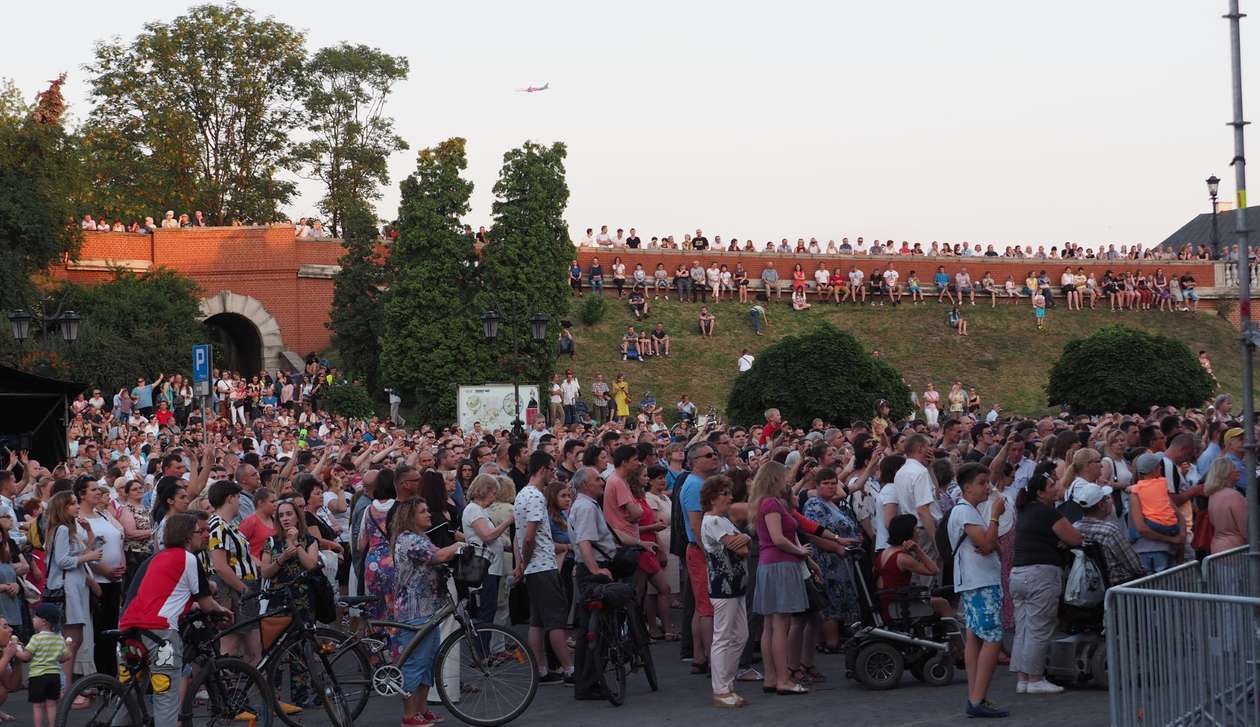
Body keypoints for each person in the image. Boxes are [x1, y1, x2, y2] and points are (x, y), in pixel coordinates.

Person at [119, 513, 233, 727]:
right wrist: (223, 611)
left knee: (129, 694)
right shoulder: (189, 559)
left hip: (129, 630)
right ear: (188, 537)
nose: (203, 536)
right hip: (161, 636)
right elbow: (207, 603)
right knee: (166, 695)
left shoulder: (158, 558)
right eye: (199, 532)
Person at [392, 498, 465, 727]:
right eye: (422, 512)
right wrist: (457, 546)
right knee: (415, 663)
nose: (428, 515)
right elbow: (440, 556)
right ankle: (409, 715)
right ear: (410, 517)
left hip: (429, 607)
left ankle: (422, 711)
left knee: (427, 662)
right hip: (414, 610)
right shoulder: (408, 540)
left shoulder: (421, 538)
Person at [1009, 464, 1081, 695]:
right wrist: (1065, 542)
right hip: (1040, 573)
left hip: (1019, 573)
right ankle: (1035, 678)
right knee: (1039, 627)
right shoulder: (1047, 512)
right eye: (1051, 485)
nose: (1055, 487)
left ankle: (1023, 678)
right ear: (1040, 492)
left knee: (1024, 628)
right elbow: (1075, 537)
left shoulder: (1026, 511)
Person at [947, 463, 1010, 718]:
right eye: (983, 483)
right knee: (993, 637)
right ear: (967, 487)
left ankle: (977, 695)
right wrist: (995, 515)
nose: (987, 488)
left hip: (973, 580)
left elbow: (988, 544)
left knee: (974, 637)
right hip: (980, 581)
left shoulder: (965, 511)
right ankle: (976, 699)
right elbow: (986, 545)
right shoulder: (965, 512)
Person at [749, 460, 813, 695]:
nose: (787, 480)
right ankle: (783, 679)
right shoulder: (772, 504)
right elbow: (778, 538)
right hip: (780, 565)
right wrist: (801, 552)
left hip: (769, 565)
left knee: (770, 625)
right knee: (780, 625)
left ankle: (771, 676)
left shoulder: (762, 503)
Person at [511, 452, 573, 685]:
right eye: (551, 468)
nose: (553, 473)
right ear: (542, 469)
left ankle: (541, 669)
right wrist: (525, 562)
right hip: (543, 565)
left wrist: (521, 565)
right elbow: (529, 538)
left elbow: (520, 537)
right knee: (556, 620)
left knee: (537, 621)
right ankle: (569, 668)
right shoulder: (536, 497)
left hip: (533, 568)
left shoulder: (521, 495)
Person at [700, 475, 751, 708]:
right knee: (723, 637)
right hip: (723, 585)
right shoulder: (712, 521)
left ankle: (727, 684)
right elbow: (737, 547)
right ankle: (720, 688)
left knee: (740, 635)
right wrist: (745, 538)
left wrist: (743, 540)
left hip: (736, 585)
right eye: (725, 493)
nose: (730, 497)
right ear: (712, 497)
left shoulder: (723, 520)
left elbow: (742, 547)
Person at [45, 491, 100, 703]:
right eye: (73, 503)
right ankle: (64, 690)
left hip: (74, 589)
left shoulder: (70, 529)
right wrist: (89, 556)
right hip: (67, 590)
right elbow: (63, 561)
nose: (78, 506)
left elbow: (82, 553)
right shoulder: (61, 530)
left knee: (73, 641)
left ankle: (65, 689)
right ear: (63, 507)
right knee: (69, 642)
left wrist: (89, 533)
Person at [461, 474, 513, 635]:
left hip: (490, 567)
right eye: (493, 493)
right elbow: (487, 536)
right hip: (483, 568)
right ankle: (481, 652)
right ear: (486, 491)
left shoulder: (479, 510)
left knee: (488, 611)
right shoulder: (473, 510)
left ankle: (484, 652)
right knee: (485, 613)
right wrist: (508, 521)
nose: (494, 497)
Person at [1070, 482, 1143, 586]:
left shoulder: (1074, 528)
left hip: (1091, 585)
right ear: (1101, 505)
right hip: (1119, 586)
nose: (1110, 501)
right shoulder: (1109, 531)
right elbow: (1135, 565)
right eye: (1107, 498)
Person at [17, 603, 70, 727]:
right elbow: (64, 658)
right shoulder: (59, 639)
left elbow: (26, 657)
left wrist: (15, 651)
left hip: (37, 677)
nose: (33, 619)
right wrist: (69, 648)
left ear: (44, 622)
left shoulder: (36, 638)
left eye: (35, 617)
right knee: (51, 705)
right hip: (54, 677)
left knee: (38, 706)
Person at [1205, 458, 1247, 553]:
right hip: (1235, 550)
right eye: (1233, 468)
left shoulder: (1213, 495)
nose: (1237, 470)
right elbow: (1246, 529)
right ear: (1225, 473)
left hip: (1217, 549)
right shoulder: (1234, 495)